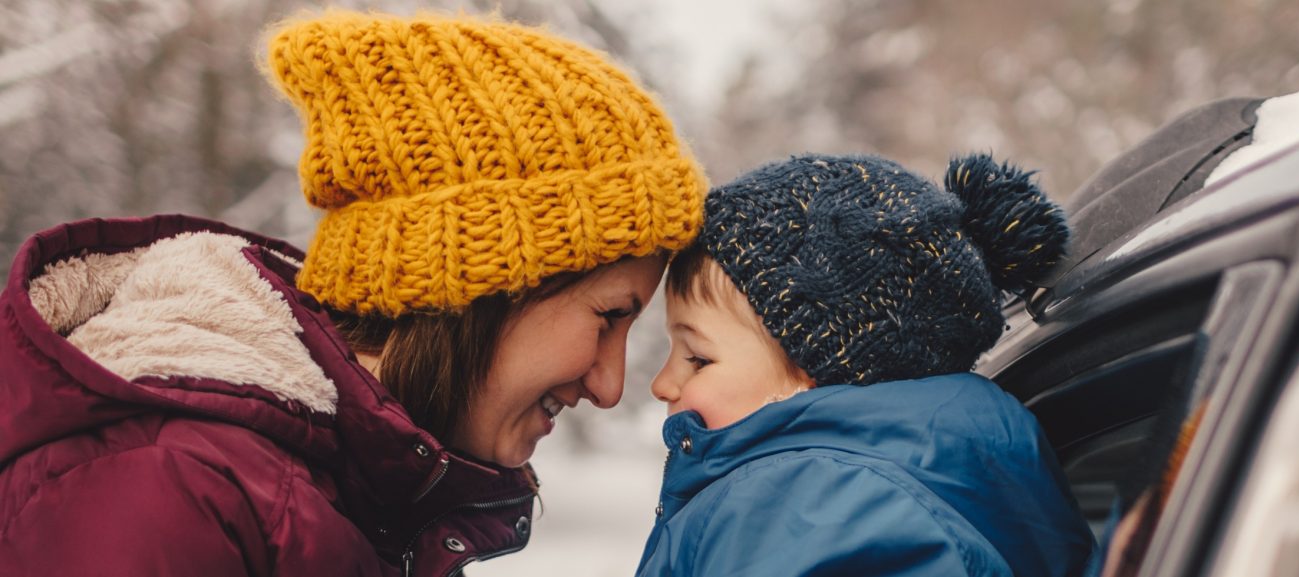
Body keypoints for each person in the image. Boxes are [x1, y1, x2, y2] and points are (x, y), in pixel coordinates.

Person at [0, 10, 704, 576]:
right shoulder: (171, 494)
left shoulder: (382, 496)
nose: (612, 386)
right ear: (469, 282)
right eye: (609, 316)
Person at [638, 153, 1094, 576]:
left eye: (698, 359)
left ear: (819, 375)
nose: (662, 383)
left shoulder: (818, 509)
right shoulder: (862, 496)